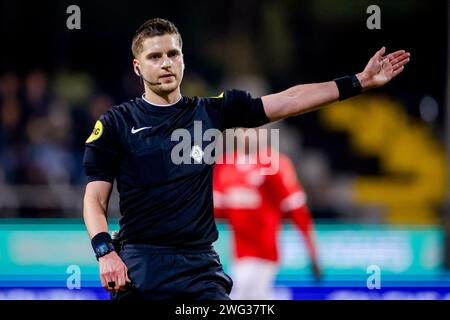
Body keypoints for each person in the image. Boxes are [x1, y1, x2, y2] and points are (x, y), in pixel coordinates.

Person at [82, 18, 410, 300]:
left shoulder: (211, 110)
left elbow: (290, 99)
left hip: (200, 269)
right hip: (141, 265)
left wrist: (358, 82)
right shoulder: (115, 124)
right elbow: (95, 201)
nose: (166, 63)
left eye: (173, 54)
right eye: (155, 56)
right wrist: (104, 252)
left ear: (183, 59)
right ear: (138, 66)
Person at [213, 134, 320, 300]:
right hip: (238, 254)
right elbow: (214, 212)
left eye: (252, 128)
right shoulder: (226, 165)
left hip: (265, 253)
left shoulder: (274, 164)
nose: (247, 133)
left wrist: (312, 252)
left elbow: (297, 212)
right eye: (243, 128)